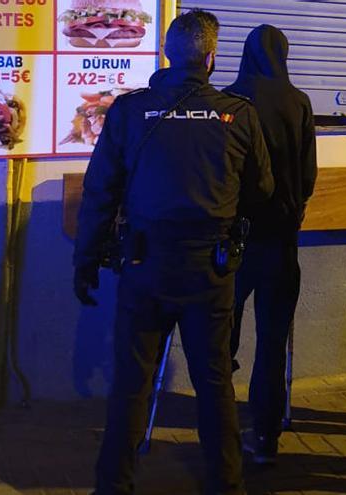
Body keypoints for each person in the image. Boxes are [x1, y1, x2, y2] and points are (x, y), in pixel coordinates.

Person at [72, 10, 274, 495]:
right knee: (213, 384)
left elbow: (100, 190)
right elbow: (262, 190)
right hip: (210, 268)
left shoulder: (128, 110)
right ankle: (226, 485)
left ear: (167, 53)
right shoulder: (238, 113)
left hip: (145, 265)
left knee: (131, 385)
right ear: (211, 57)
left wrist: (85, 260)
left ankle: (113, 486)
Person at [223, 24, 318, 464]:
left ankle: (218, 422)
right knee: (272, 341)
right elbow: (309, 177)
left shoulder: (228, 101)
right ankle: (264, 437)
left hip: (233, 240)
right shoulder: (298, 102)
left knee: (221, 337)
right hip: (280, 242)